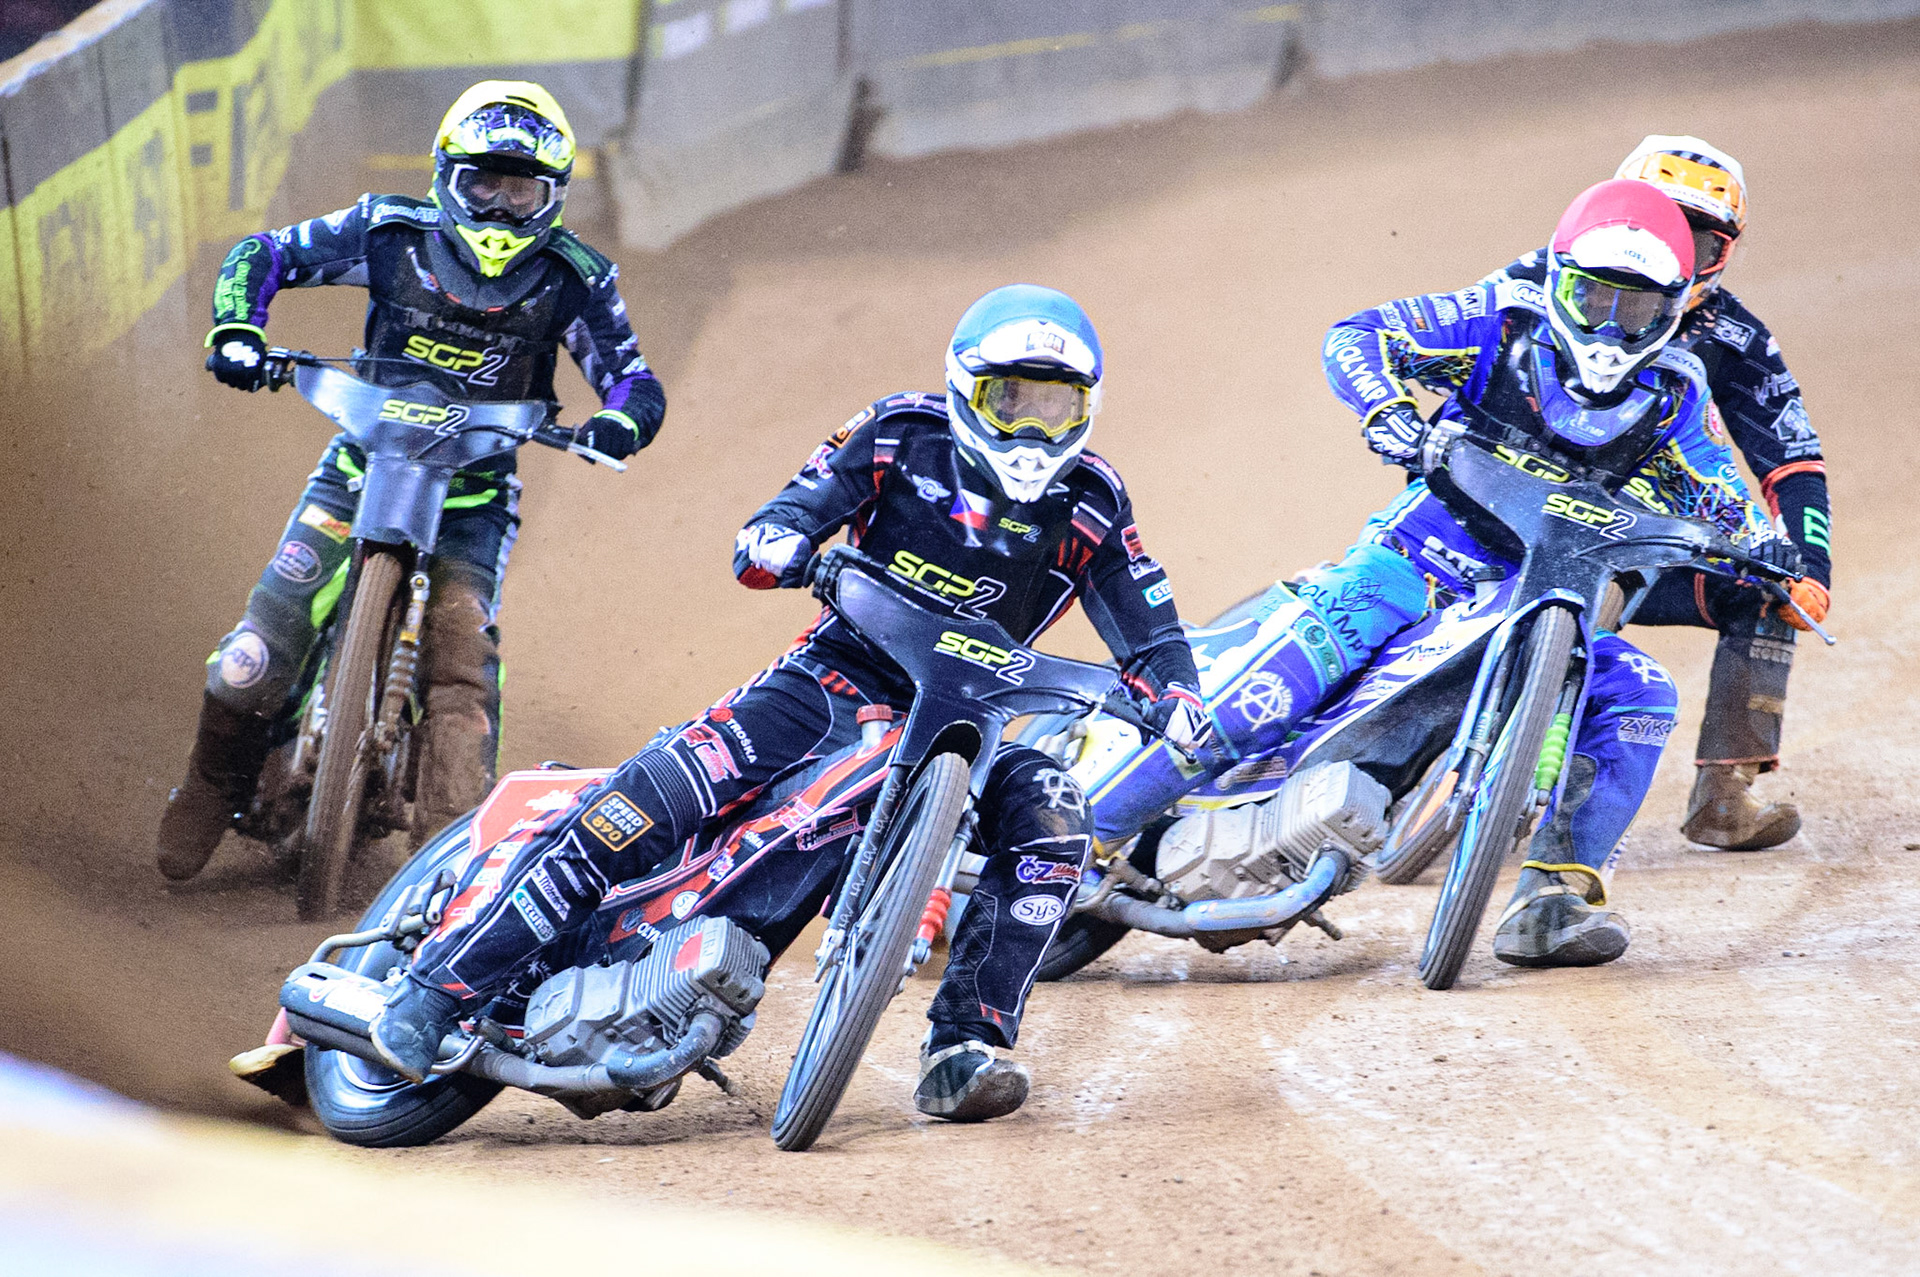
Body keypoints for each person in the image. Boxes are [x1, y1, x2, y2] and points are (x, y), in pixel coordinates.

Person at [368, 284, 1210, 1121]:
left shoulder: (1095, 501)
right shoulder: (899, 432)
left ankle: (964, 1045)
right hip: (826, 686)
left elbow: (1153, 629)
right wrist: (781, 540)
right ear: (966, 388)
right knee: (635, 811)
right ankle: (435, 990)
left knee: (1055, 816)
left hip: (969, 725)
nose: (1032, 429)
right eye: (1011, 399)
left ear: (1087, 407)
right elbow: (789, 514)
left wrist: (1176, 695)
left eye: (1056, 405)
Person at [1087, 179, 1782, 969]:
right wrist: (1388, 413)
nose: (1609, 324)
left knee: (1642, 694)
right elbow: (1358, 336)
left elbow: (1721, 489)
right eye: (1593, 297)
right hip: (1412, 561)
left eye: (1637, 307)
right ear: (1560, 281)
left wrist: (1765, 544)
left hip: (1539, 590)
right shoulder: (1501, 320)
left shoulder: (1678, 393)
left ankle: (1554, 899)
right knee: (1265, 696)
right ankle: (1073, 841)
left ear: (1673, 308)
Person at [156, 82, 665, 881]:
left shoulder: (575, 278)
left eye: (521, 190)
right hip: (359, 469)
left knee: (462, 678)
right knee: (252, 655)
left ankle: (443, 872)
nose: (499, 208)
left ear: (554, 197)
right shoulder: (388, 232)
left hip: (472, 498)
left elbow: (634, 378)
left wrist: (618, 422)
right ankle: (211, 784)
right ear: (445, 177)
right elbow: (264, 253)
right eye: (483, 184)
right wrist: (238, 329)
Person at [1484, 137, 1830, 850]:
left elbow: (1793, 459)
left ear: (1725, 252)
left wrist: (1809, 569)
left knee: (1769, 590)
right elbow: (1457, 369)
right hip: (1512, 513)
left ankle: (1725, 792)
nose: (1675, 250)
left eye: (1699, 240)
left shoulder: (1735, 336)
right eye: (1658, 219)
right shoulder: (1540, 280)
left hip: (1641, 539)